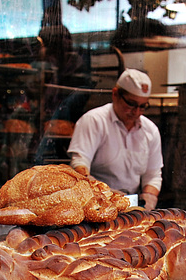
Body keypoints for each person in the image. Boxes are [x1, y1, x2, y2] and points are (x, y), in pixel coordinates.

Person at [68, 69, 163, 210]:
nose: (136, 112)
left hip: (133, 205)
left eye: (142, 107)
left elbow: (153, 174)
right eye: (131, 104)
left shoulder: (151, 130)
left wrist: (149, 199)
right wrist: (102, 191)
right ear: (115, 94)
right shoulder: (94, 121)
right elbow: (80, 164)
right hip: (97, 204)